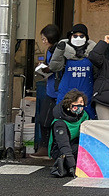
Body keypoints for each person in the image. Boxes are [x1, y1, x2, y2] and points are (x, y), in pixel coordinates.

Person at [48, 23, 97, 119]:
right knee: (64, 118)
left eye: (81, 36)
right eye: (75, 36)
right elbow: (54, 67)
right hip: (66, 93)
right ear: (70, 37)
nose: (78, 38)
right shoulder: (64, 51)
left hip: (87, 94)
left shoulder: (93, 53)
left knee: (87, 121)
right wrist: (59, 51)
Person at [32, 24, 61, 158]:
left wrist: (48, 69)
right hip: (50, 88)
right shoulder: (49, 50)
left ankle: (48, 148)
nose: (43, 41)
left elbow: (56, 67)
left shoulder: (59, 50)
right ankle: (46, 148)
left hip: (57, 91)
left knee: (47, 119)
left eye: (44, 39)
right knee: (43, 119)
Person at [49, 89, 89, 178]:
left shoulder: (84, 116)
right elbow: (64, 145)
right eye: (76, 102)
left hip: (74, 145)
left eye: (81, 102)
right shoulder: (60, 123)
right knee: (80, 149)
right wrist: (72, 166)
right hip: (60, 149)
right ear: (69, 103)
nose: (79, 105)